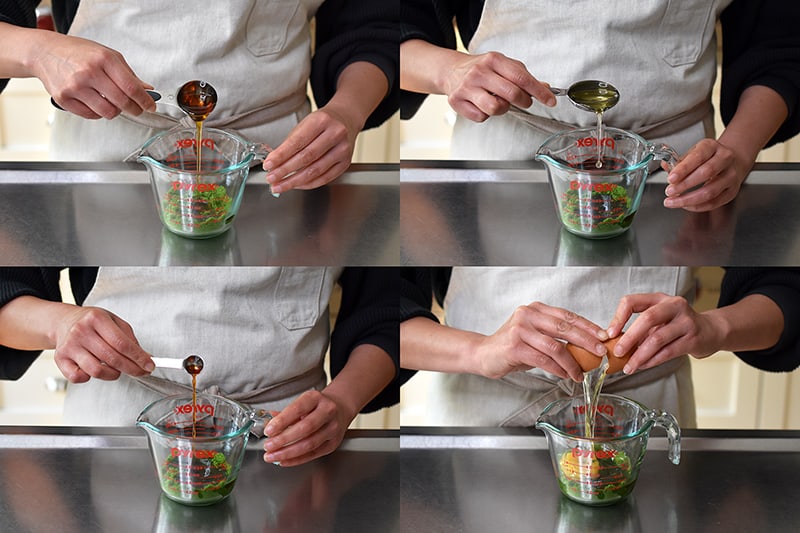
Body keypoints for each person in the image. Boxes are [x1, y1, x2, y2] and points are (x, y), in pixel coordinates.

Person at [400, 1, 800, 212]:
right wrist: (449, 70)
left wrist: (738, 151)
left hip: (671, 174)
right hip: (505, 165)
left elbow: (779, 47)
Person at [0, 266, 399, 467]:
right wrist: (60, 323)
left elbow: (385, 313)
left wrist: (343, 401)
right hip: (118, 435)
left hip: (289, 438)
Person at [0, 1, 398, 194]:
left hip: (279, 159)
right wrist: (38, 51)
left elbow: (371, 27)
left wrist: (349, 109)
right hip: (112, 152)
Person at [400, 267, 800, 427]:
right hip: (482, 418)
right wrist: (478, 351)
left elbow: (785, 289)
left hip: (647, 414)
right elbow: (382, 318)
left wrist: (715, 326)